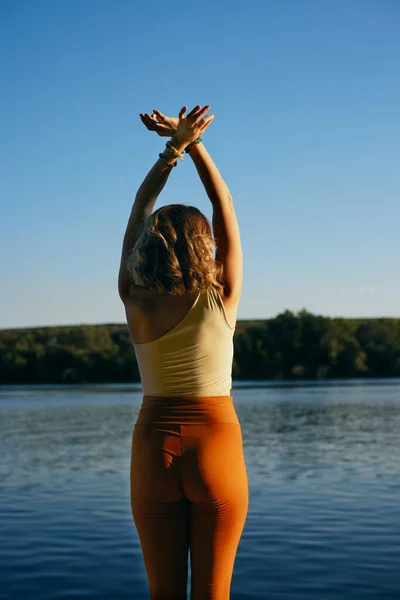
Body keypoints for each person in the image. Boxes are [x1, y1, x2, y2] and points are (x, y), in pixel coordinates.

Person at [118, 104, 249, 600]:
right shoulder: (223, 293)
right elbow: (226, 206)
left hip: (155, 447)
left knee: (163, 594)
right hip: (216, 444)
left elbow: (139, 210)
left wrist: (170, 151)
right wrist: (195, 144)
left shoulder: (135, 295)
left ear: (148, 248)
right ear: (204, 246)